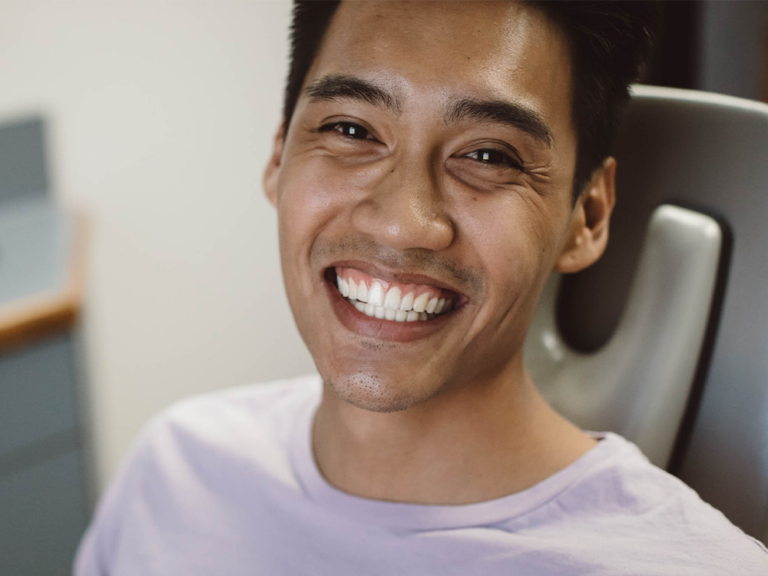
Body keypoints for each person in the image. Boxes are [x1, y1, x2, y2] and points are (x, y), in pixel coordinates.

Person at [74, 1, 768, 574]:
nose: (404, 223)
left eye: (489, 155)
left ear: (586, 216)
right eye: (351, 129)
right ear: (279, 157)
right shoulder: (172, 471)